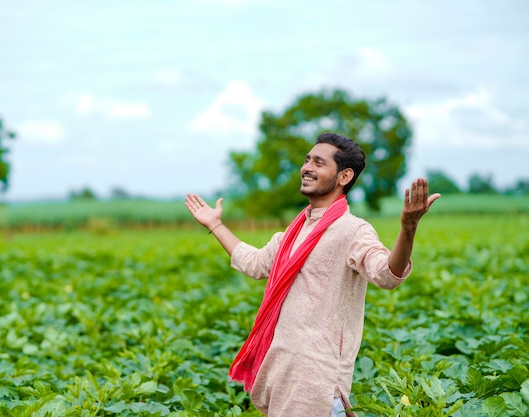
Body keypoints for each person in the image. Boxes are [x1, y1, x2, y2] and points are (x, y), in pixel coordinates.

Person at [185, 132, 440, 417]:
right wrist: (215, 225)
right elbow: (255, 263)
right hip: (282, 374)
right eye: (307, 160)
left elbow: (387, 275)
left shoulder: (353, 230)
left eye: (319, 163)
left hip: (318, 383)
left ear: (344, 176)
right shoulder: (294, 232)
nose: (307, 167)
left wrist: (408, 228)